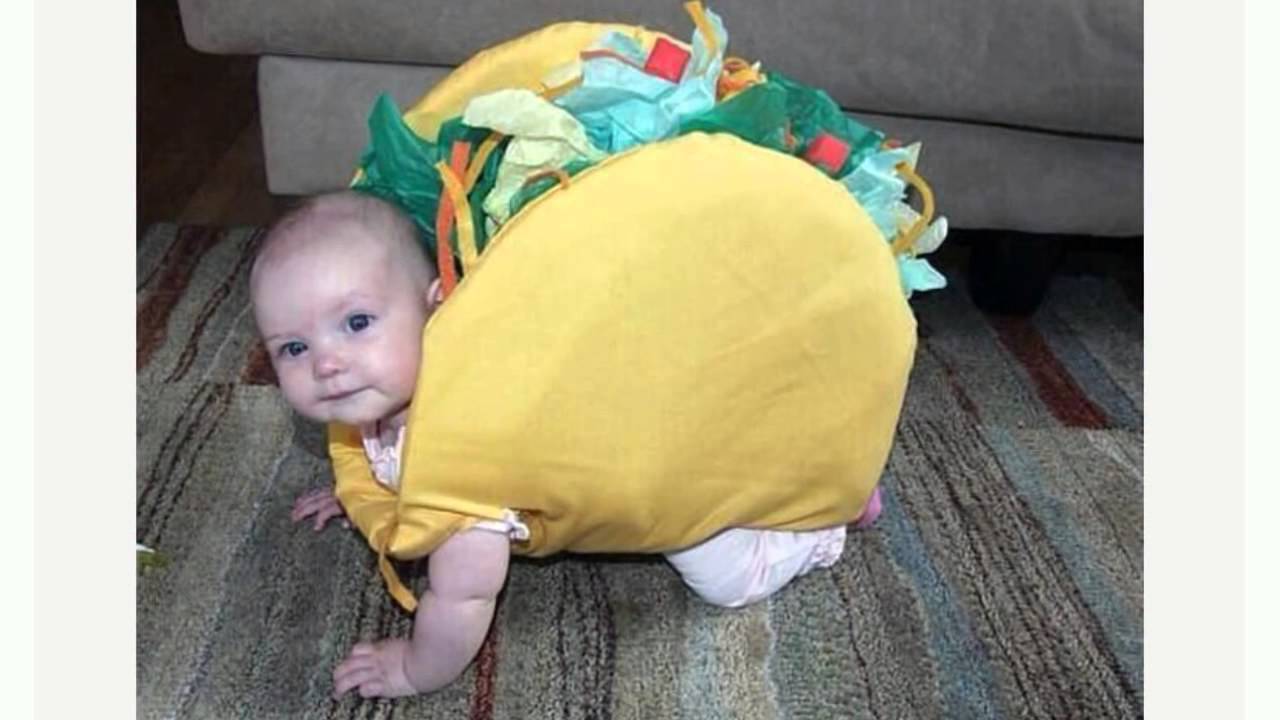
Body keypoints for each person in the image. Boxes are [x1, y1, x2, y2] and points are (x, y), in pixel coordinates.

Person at [250, 189, 884, 699]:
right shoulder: (382, 391)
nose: (327, 363)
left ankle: (824, 517)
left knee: (729, 576)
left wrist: (416, 669)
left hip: (666, 480)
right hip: (642, 414)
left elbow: (464, 596)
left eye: (357, 323)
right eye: (294, 347)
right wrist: (362, 493)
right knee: (731, 445)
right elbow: (376, 450)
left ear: (437, 309)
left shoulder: (462, 466)